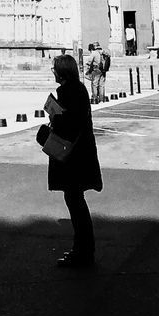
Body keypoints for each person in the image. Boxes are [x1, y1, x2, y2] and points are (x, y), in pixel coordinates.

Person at [43, 53, 103, 269]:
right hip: (80, 154)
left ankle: (83, 253)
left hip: (73, 157)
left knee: (75, 203)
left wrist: (54, 117)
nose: (52, 71)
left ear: (63, 71)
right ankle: (83, 250)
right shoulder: (78, 89)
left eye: (54, 68)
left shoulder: (70, 91)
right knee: (76, 202)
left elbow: (70, 124)